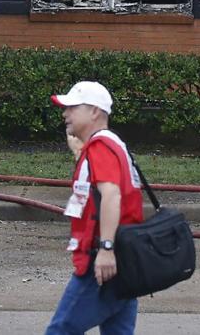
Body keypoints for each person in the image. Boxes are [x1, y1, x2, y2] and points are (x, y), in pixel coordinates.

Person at [46, 81, 145, 335]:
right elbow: (102, 189)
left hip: (102, 261)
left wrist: (106, 248)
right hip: (124, 259)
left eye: (72, 107)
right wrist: (80, 154)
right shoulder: (109, 145)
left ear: (94, 112)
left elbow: (111, 194)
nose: (65, 113)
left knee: (60, 330)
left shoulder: (100, 147)